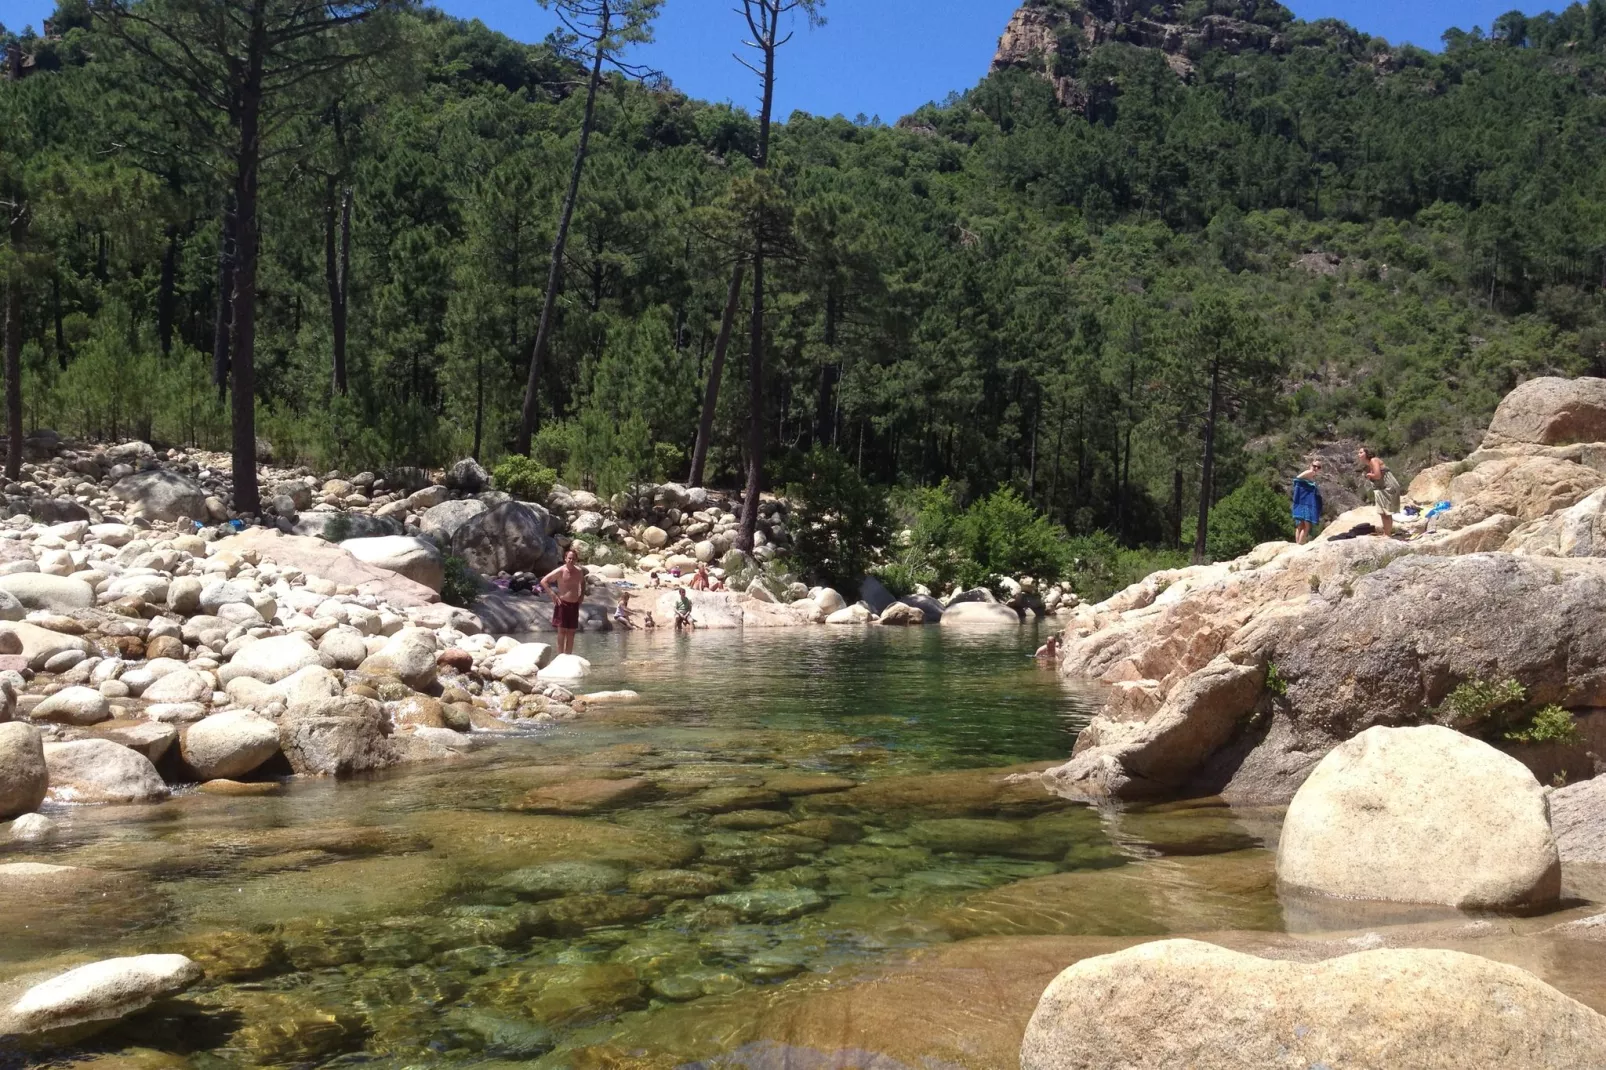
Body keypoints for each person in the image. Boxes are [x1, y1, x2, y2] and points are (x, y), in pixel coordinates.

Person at [541, 548, 586, 655]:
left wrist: (581, 596)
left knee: (571, 632)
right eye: (569, 558)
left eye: (573, 559)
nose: (571, 560)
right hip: (562, 604)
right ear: (565, 559)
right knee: (561, 632)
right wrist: (552, 595)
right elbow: (544, 581)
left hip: (574, 605)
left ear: (576, 560)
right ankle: (560, 656)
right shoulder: (560, 571)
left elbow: (583, 583)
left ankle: (568, 656)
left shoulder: (579, 571)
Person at [1357, 447, 1401, 538]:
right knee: (1383, 512)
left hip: (1388, 487)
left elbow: (1377, 475)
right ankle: (1387, 532)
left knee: (1386, 512)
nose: (1359, 454)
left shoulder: (1373, 460)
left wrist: (1370, 475)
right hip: (1382, 488)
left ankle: (1387, 534)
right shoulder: (1369, 464)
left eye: (1361, 452)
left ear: (1367, 453)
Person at [1291, 460, 1324, 545]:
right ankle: (1300, 544)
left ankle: (1298, 543)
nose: (1316, 468)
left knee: (1300, 525)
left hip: (1301, 502)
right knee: (1306, 526)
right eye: (1314, 466)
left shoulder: (1312, 477)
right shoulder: (1310, 473)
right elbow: (1297, 479)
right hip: (1305, 504)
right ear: (1310, 465)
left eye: (1318, 467)